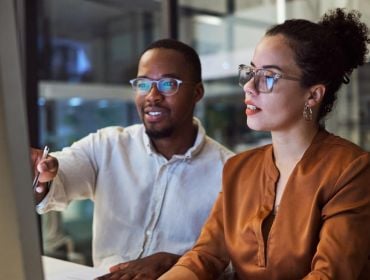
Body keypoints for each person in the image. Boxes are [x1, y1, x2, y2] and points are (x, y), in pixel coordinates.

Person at [159, 8, 370, 280]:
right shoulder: (239, 169)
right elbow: (204, 257)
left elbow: (329, 275)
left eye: (268, 77)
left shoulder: (351, 170)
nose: (249, 86)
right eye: (250, 72)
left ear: (313, 95)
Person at [31, 38, 234, 279]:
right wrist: (42, 174)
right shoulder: (107, 145)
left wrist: (178, 263)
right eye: (143, 84)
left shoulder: (230, 171)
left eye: (168, 84)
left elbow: (236, 264)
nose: (153, 95)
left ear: (197, 92)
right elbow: (59, 180)